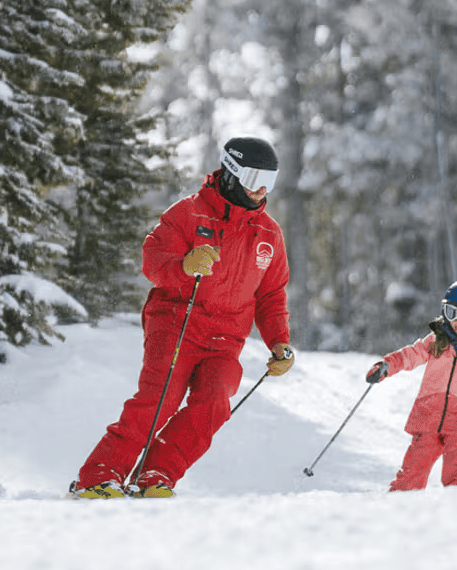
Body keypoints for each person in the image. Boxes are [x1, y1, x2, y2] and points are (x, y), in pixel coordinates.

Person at [70, 136, 295, 498]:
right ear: (234, 173)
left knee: (213, 404)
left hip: (226, 339)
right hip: (176, 322)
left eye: (271, 181)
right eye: (255, 180)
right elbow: (152, 260)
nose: (262, 191)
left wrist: (279, 340)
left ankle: (155, 475)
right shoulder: (188, 213)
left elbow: (271, 295)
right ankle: (99, 475)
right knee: (159, 400)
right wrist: (183, 266)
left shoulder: (268, 233)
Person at [364, 279, 457, 491]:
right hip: (428, 418)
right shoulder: (436, 341)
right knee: (411, 473)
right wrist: (388, 365)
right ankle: (398, 510)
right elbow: (410, 355)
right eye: (452, 313)